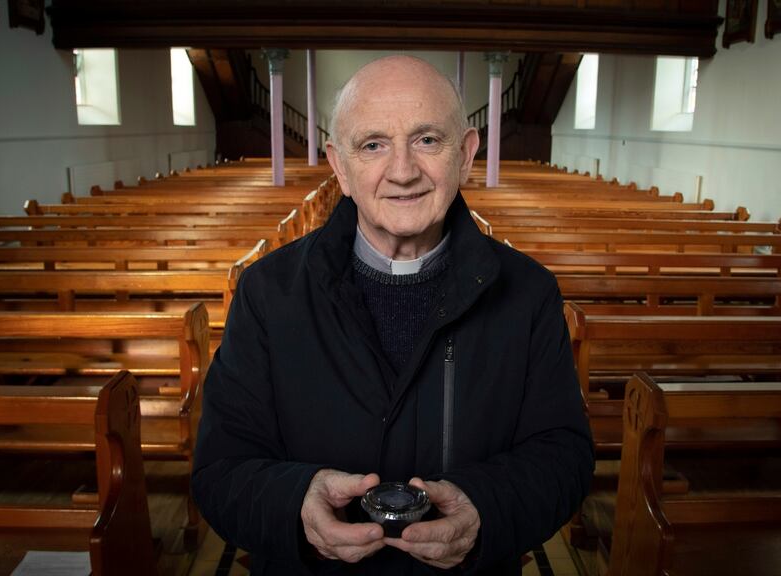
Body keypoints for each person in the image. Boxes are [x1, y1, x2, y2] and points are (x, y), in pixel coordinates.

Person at [192, 55, 594, 575]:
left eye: (427, 140)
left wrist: (483, 507)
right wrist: (297, 503)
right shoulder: (267, 293)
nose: (403, 172)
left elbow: (563, 456)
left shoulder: (529, 293)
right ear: (339, 164)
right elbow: (221, 468)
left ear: (466, 154)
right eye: (373, 145)